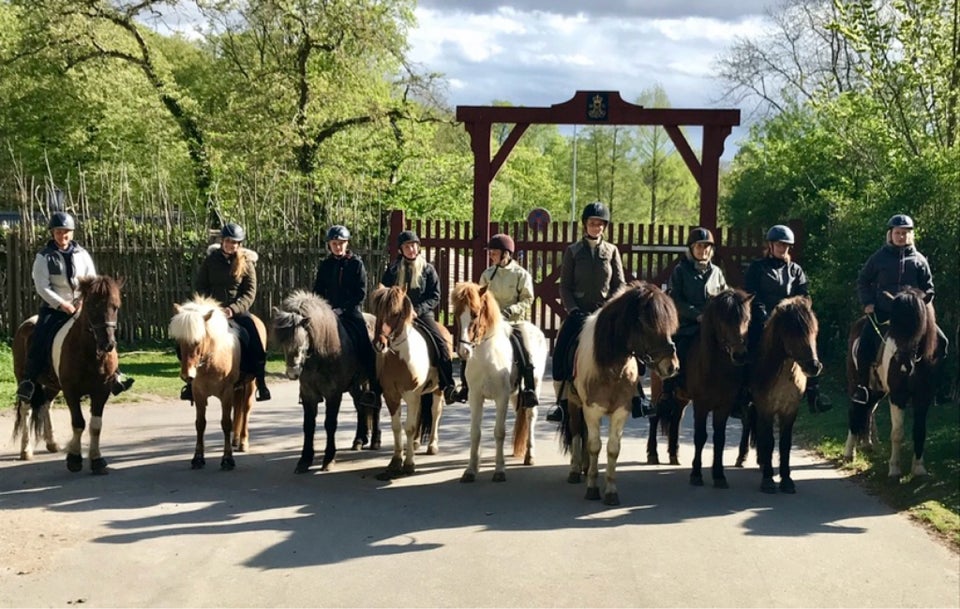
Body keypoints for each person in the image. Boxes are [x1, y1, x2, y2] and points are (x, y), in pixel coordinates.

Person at [16, 212, 135, 401]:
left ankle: (115, 375)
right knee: (39, 337)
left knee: (103, 332)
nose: (62, 236)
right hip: (54, 309)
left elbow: (92, 281)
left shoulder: (82, 254)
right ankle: (29, 380)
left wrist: (81, 301)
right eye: (58, 232)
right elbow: (42, 286)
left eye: (66, 232)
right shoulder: (44, 257)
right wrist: (62, 304)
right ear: (52, 233)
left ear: (71, 233)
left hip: (80, 306)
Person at [547, 201, 638, 423]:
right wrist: (573, 309)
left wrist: (610, 307)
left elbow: (620, 283)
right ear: (585, 225)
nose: (596, 227)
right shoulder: (573, 251)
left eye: (600, 224)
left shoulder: (612, 251)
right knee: (561, 350)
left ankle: (639, 397)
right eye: (592, 223)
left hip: (606, 315)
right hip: (580, 314)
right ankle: (560, 401)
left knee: (635, 349)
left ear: (604, 227)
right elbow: (564, 286)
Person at [852, 214, 943, 404]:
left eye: (905, 233)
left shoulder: (919, 260)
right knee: (864, 344)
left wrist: (924, 302)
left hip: (912, 317)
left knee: (942, 342)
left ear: (910, 235)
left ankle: (934, 385)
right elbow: (863, 280)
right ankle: (862, 387)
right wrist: (867, 302)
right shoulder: (879, 258)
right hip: (884, 312)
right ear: (890, 234)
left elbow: (929, 288)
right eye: (897, 233)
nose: (901, 236)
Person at [743, 224, 832, 414]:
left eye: (786, 246)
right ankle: (744, 390)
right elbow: (752, 294)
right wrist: (765, 315)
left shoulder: (796, 270)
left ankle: (814, 392)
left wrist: (792, 310)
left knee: (811, 341)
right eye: (779, 245)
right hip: (764, 318)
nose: (783, 249)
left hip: (789, 322)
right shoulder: (757, 268)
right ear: (771, 245)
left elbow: (804, 295)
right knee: (749, 342)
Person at [183, 222, 270, 402]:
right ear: (222, 241)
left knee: (254, 339)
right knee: (186, 339)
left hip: (236, 312)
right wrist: (207, 307)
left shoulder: (246, 263)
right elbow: (200, 286)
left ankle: (260, 383)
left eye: (235, 242)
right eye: (228, 241)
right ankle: (189, 382)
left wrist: (233, 309)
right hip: (212, 312)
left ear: (240, 244)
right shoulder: (210, 261)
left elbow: (249, 293)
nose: (231, 245)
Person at [454, 233, 539, 407]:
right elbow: (479, 300)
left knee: (524, 347)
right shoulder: (487, 274)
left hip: (514, 321)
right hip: (490, 323)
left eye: (494, 252)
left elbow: (527, 299)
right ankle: (465, 385)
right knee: (469, 345)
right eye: (490, 252)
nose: (490, 255)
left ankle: (528, 388)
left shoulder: (521, 274)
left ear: (506, 253)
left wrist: (510, 311)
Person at [380, 230, 458, 404]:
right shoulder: (393, 270)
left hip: (421, 314)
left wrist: (417, 309)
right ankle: (374, 386)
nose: (411, 249)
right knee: (378, 340)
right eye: (407, 246)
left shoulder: (428, 269)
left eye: (414, 245)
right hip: (397, 317)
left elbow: (435, 296)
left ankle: (448, 385)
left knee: (441, 342)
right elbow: (384, 292)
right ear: (401, 250)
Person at [656, 227, 728, 415]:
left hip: (712, 327)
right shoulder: (680, 271)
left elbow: (724, 297)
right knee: (676, 348)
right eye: (699, 247)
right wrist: (696, 315)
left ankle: (737, 392)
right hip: (688, 325)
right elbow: (675, 300)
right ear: (691, 248)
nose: (703, 250)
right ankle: (669, 388)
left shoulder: (717, 273)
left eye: (706, 247)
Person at [312, 224, 379, 410]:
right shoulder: (325, 265)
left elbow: (361, 292)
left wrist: (343, 309)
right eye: (334, 243)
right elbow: (317, 291)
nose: (338, 246)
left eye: (341, 243)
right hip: (327, 314)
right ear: (329, 245)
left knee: (365, 341)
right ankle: (309, 388)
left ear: (347, 243)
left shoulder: (356, 264)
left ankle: (371, 385)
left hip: (350, 312)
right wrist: (325, 309)